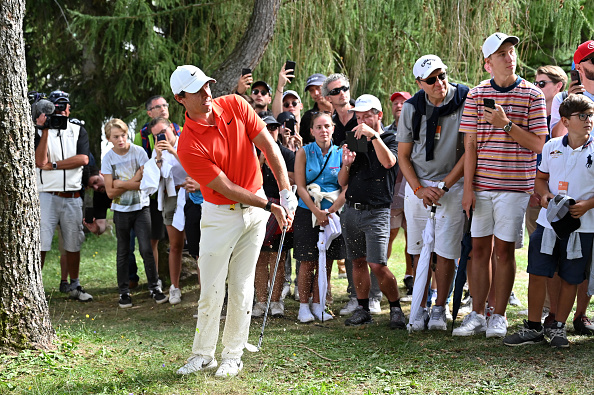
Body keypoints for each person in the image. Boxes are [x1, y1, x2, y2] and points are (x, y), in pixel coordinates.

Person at [171, 65, 297, 379]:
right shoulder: (187, 145)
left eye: (207, 86)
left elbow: (269, 145)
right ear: (180, 99)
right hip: (219, 215)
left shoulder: (236, 105)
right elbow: (226, 187)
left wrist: (284, 190)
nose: (206, 94)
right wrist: (271, 203)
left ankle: (233, 355)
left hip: (254, 213)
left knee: (241, 287)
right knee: (211, 290)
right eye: (197, 91)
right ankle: (202, 354)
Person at [457, 32, 548, 338]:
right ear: (487, 64)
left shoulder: (533, 95)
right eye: (502, 55)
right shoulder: (475, 95)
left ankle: (499, 315)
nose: (510, 58)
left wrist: (506, 125)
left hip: (514, 187)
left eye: (511, 52)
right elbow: (470, 146)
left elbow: (539, 145)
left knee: (504, 252)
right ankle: (478, 314)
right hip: (481, 186)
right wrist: (468, 188)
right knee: (479, 251)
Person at [503, 93, 594, 348]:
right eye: (582, 116)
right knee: (538, 272)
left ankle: (557, 328)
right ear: (565, 120)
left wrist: (587, 205)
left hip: (582, 227)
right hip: (548, 223)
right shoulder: (551, 146)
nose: (588, 121)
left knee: (571, 278)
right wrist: (544, 196)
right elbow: (540, 179)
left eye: (591, 116)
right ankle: (533, 327)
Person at [397, 55, 468, 331]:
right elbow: (403, 155)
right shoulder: (411, 108)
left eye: (442, 75)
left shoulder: (464, 98)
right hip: (418, 184)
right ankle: (420, 304)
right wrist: (418, 188)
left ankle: (439, 308)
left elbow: (469, 150)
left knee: (447, 250)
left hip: (451, 182)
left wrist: (445, 185)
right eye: (431, 80)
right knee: (418, 248)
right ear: (419, 83)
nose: (439, 83)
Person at [338, 94, 406, 329]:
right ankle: (363, 308)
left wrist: (373, 135)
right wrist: (347, 163)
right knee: (357, 261)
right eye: (358, 116)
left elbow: (389, 163)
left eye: (367, 115)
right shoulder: (355, 139)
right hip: (351, 210)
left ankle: (395, 308)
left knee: (377, 264)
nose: (362, 120)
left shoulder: (390, 137)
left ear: (379, 115)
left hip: (377, 212)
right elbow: (342, 181)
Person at [547, 42, 594, 335]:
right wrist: (570, 103)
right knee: (559, 255)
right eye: (590, 61)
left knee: (588, 258)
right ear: (578, 67)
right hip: (566, 187)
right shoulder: (562, 98)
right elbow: (554, 138)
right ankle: (555, 315)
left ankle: (581, 315)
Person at [101, 118, 168, 308]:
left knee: (147, 248)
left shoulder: (138, 152)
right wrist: (133, 180)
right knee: (123, 251)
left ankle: (154, 287)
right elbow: (110, 192)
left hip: (141, 208)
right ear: (109, 139)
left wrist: (121, 183)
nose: (121, 139)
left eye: (123, 135)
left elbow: (146, 184)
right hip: (121, 211)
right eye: (116, 137)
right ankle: (124, 292)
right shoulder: (108, 159)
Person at [35, 90, 92, 302]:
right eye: (56, 106)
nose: (61, 110)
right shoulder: (39, 131)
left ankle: (75, 284)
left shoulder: (78, 130)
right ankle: (35, 288)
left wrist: (55, 165)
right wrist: (46, 129)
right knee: (41, 243)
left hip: (73, 194)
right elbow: (40, 161)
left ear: (69, 109)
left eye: (64, 106)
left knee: (73, 242)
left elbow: (83, 159)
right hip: (47, 195)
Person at [294, 111, 346, 323]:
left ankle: (320, 302)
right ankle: (304, 305)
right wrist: (316, 211)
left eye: (327, 126)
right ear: (312, 131)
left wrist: (333, 209)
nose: (323, 131)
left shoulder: (341, 152)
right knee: (307, 260)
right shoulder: (304, 152)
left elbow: (345, 185)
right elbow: (300, 186)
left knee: (327, 261)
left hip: (333, 212)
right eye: (319, 127)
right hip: (308, 211)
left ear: (333, 128)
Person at [133, 95, 181, 288]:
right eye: (157, 106)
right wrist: (158, 158)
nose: (162, 108)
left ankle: (174, 280)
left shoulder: (181, 132)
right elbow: (144, 166)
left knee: (178, 240)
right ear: (149, 112)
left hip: (181, 193)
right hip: (155, 196)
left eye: (165, 105)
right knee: (153, 238)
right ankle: (155, 281)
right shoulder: (141, 137)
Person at [252, 112, 295, 319]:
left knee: (278, 256)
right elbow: (249, 182)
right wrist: (261, 162)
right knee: (260, 258)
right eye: (266, 128)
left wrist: (277, 167)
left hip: (281, 208)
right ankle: (261, 302)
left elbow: (295, 179)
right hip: (259, 207)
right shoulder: (251, 153)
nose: (270, 132)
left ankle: (276, 301)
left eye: (274, 128)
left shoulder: (286, 153)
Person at [148, 117, 188, 305]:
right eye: (157, 135)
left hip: (192, 194)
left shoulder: (186, 141)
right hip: (171, 198)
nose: (162, 137)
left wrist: (173, 151)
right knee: (175, 245)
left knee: (198, 245)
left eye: (164, 131)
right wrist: (158, 157)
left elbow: (193, 166)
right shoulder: (158, 153)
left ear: (172, 127)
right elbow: (153, 180)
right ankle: (175, 287)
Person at [385, 91, 414, 297]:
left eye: (403, 102)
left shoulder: (416, 127)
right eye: (395, 103)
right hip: (393, 191)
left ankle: (410, 276)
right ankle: (382, 273)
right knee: (390, 234)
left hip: (413, 188)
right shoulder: (386, 132)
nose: (399, 106)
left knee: (412, 235)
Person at [300, 73, 332, 143]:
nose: (316, 93)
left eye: (318, 88)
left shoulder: (344, 111)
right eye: (311, 90)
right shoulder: (308, 117)